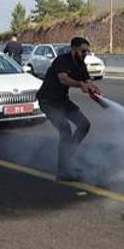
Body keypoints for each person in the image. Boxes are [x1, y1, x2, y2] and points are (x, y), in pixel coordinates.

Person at [36, 36, 101, 181]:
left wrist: (93, 90)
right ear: (73, 49)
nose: (85, 54)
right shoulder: (62, 60)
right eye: (83, 51)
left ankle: (68, 158)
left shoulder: (81, 64)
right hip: (48, 101)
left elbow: (87, 81)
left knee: (84, 125)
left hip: (62, 101)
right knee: (65, 131)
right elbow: (63, 79)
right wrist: (81, 85)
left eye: (87, 51)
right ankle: (63, 171)